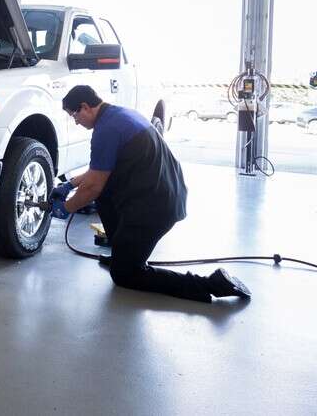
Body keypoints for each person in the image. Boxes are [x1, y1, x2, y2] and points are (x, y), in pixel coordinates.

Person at [51, 85, 251, 304]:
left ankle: (212, 284)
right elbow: (99, 169)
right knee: (105, 196)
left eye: (74, 115)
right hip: (166, 193)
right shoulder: (119, 116)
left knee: (125, 275)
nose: (76, 122)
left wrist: (66, 208)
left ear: (85, 107)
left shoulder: (105, 131)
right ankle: (123, 255)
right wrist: (69, 184)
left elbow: (93, 187)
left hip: (154, 208)